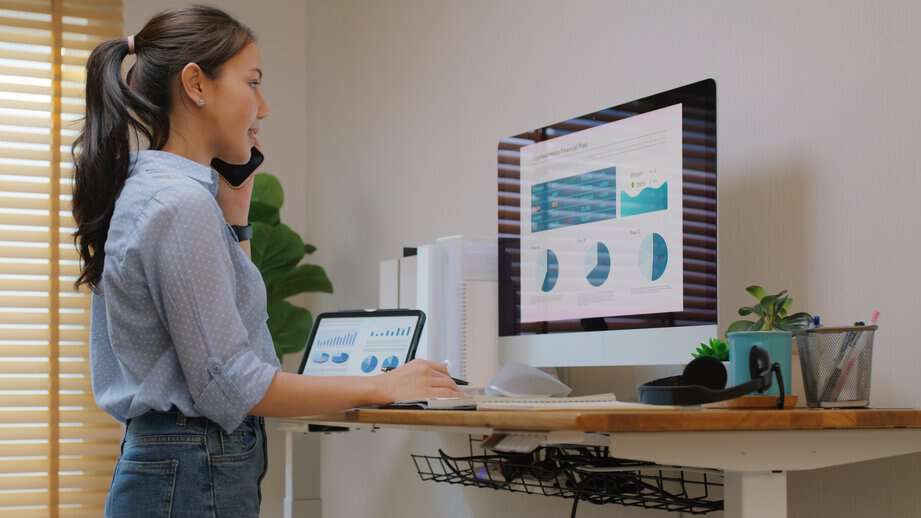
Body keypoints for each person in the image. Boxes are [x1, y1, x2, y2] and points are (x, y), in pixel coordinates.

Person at [71, 6, 462, 517]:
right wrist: (385, 384)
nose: (265, 107)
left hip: (185, 466)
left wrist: (235, 218)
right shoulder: (178, 205)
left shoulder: (162, 194)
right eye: (252, 83)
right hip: (193, 467)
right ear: (196, 84)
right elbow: (233, 382)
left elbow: (234, 340)